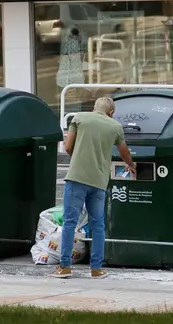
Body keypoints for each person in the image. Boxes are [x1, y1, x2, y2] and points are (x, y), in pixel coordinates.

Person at [51, 96, 135, 279]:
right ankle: (96, 269)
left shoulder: (79, 118)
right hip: (98, 182)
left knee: (69, 222)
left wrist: (79, 158)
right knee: (97, 225)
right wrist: (131, 165)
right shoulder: (115, 126)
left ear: (94, 108)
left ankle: (65, 267)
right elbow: (124, 152)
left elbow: (67, 147)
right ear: (110, 112)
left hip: (77, 177)